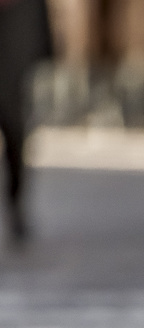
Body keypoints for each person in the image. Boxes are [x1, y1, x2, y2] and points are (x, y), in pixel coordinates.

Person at [0, 0, 54, 247]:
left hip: (13, 70)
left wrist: (46, 51)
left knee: (15, 134)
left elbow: (39, 21)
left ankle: (15, 204)